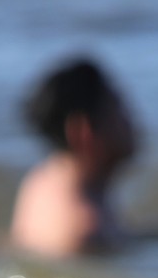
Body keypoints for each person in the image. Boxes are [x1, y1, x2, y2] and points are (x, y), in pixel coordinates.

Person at [9, 57, 140, 258]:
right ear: (83, 131)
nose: (131, 119)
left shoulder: (41, 178)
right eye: (117, 107)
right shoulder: (87, 233)